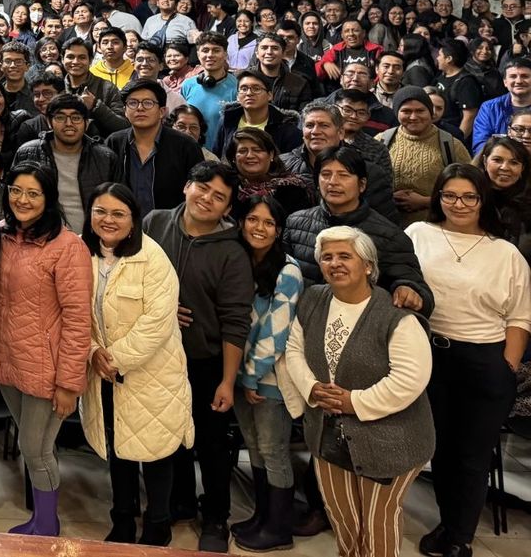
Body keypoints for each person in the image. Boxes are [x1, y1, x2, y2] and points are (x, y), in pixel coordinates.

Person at [278, 227, 434, 557]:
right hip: (327, 434)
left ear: (367, 265)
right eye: (327, 257)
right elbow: (293, 349)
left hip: (390, 440)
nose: (335, 263)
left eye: (345, 256)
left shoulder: (395, 314)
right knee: (344, 521)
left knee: (378, 525)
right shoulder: (313, 299)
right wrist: (312, 388)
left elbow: (410, 378)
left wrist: (354, 402)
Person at [408, 164, 531, 557]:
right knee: (441, 451)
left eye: (469, 196)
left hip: (485, 360)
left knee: (473, 455)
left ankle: (459, 538)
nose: (459, 204)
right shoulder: (417, 235)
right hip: (429, 357)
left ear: (483, 200)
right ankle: (448, 523)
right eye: (450, 195)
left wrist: (507, 367)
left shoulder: (505, 252)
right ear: (438, 197)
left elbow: (520, 316)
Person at [142, 160, 253, 552]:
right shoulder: (153, 224)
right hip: (154, 358)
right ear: (187, 187)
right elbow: (129, 274)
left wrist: (227, 380)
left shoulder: (232, 251)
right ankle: (179, 503)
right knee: (168, 438)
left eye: (219, 196)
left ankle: (217, 518)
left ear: (228, 207)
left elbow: (236, 320)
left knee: (211, 444)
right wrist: (160, 306)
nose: (207, 198)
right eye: (203, 188)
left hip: (204, 360)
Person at [78, 182, 190, 547]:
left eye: (118, 213)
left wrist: (116, 359)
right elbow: (78, 315)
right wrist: (95, 352)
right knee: (118, 449)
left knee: (155, 451)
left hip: (151, 374)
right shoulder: (81, 255)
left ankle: (159, 523)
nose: (108, 220)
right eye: (100, 211)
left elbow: (158, 322)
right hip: (103, 372)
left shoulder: (152, 258)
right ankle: (122, 518)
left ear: (133, 219)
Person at [0, 162, 91, 537]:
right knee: (35, 447)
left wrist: (69, 382)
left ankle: (47, 524)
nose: (22, 199)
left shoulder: (68, 247)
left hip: (47, 369)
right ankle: (39, 519)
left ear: (48, 199)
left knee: (37, 450)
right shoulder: (2, 235)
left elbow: (79, 320)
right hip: (9, 360)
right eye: (16, 190)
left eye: (33, 193)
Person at [229, 194, 303, 552]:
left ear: (278, 230)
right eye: (254, 220)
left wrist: (252, 376)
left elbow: (277, 332)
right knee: (255, 449)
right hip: (240, 375)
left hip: (269, 379)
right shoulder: (237, 260)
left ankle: (279, 527)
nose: (260, 228)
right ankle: (262, 516)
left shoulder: (288, 271)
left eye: (269, 223)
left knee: (274, 451)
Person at [281, 146, 434, 314]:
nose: (333, 182)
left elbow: (420, 294)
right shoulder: (295, 222)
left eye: (344, 175)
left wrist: (406, 289)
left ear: (362, 185)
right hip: (300, 320)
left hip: (358, 327)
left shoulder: (389, 235)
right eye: (325, 175)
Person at [12, 95, 123, 233]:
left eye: (76, 118)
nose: (69, 123)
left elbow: (119, 203)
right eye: (60, 117)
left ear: (86, 123)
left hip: (93, 239)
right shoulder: (28, 153)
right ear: (49, 121)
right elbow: (13, 197)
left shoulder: (105, 158)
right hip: (41, 238)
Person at [105, 79, 206, 215]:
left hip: (170, 227)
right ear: (125, 111)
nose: (140, 108)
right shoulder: (114, 142)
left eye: (148, 103)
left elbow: (199, 189)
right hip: (125, 225)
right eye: (133, 103)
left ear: (161, 111)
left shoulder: (186, 145)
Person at [381, 85, 471, 225]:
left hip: (436, 226)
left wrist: (425, 202)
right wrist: (388, 198)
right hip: (389, 227)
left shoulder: (451, 145)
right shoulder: (382, 141)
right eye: (406, 111)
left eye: (420, 111)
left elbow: (470, 190)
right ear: (396, 113)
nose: (413, 117)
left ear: (430, 112)